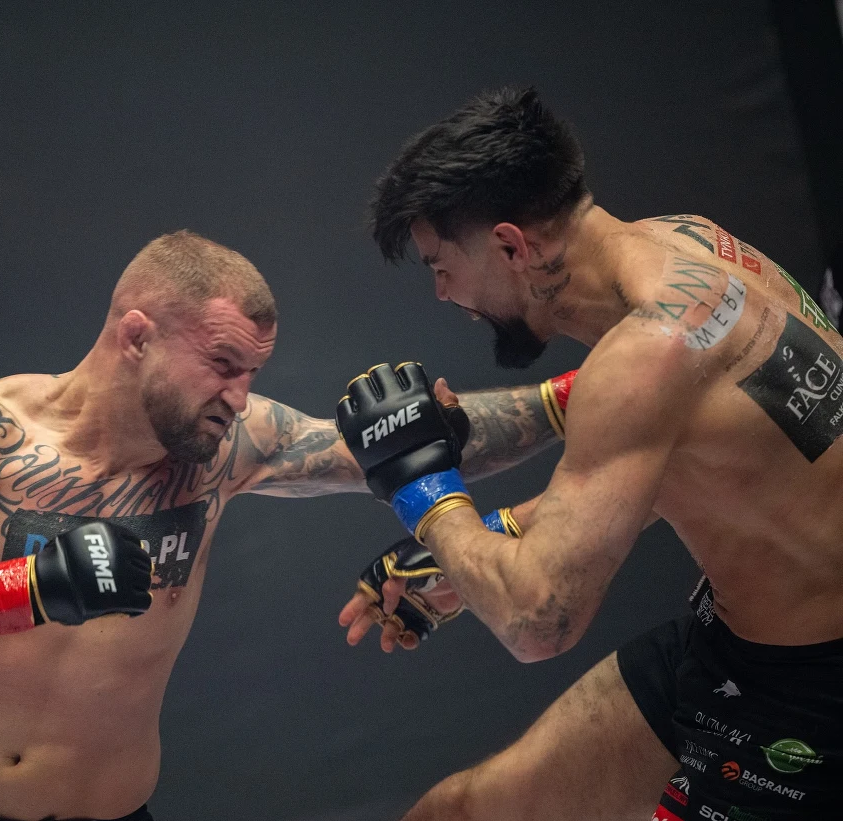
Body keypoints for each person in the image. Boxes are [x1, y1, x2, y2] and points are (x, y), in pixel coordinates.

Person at [0, 229, 572, 821]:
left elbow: (408, 447)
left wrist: (588, 392)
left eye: (252, 374)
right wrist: (28, 588)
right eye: (222, 364)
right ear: (136, 336)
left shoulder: (230, 448)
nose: (239, 398)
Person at [336, 88, 843, 820]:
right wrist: (492, 539)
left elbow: (537, 621)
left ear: (512, 246)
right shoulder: (693, 244)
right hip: (734, 641)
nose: (443, 294)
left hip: (812, 696)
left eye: (441, 265)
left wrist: (422, 490)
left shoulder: (646, 355)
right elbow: (699, 467)